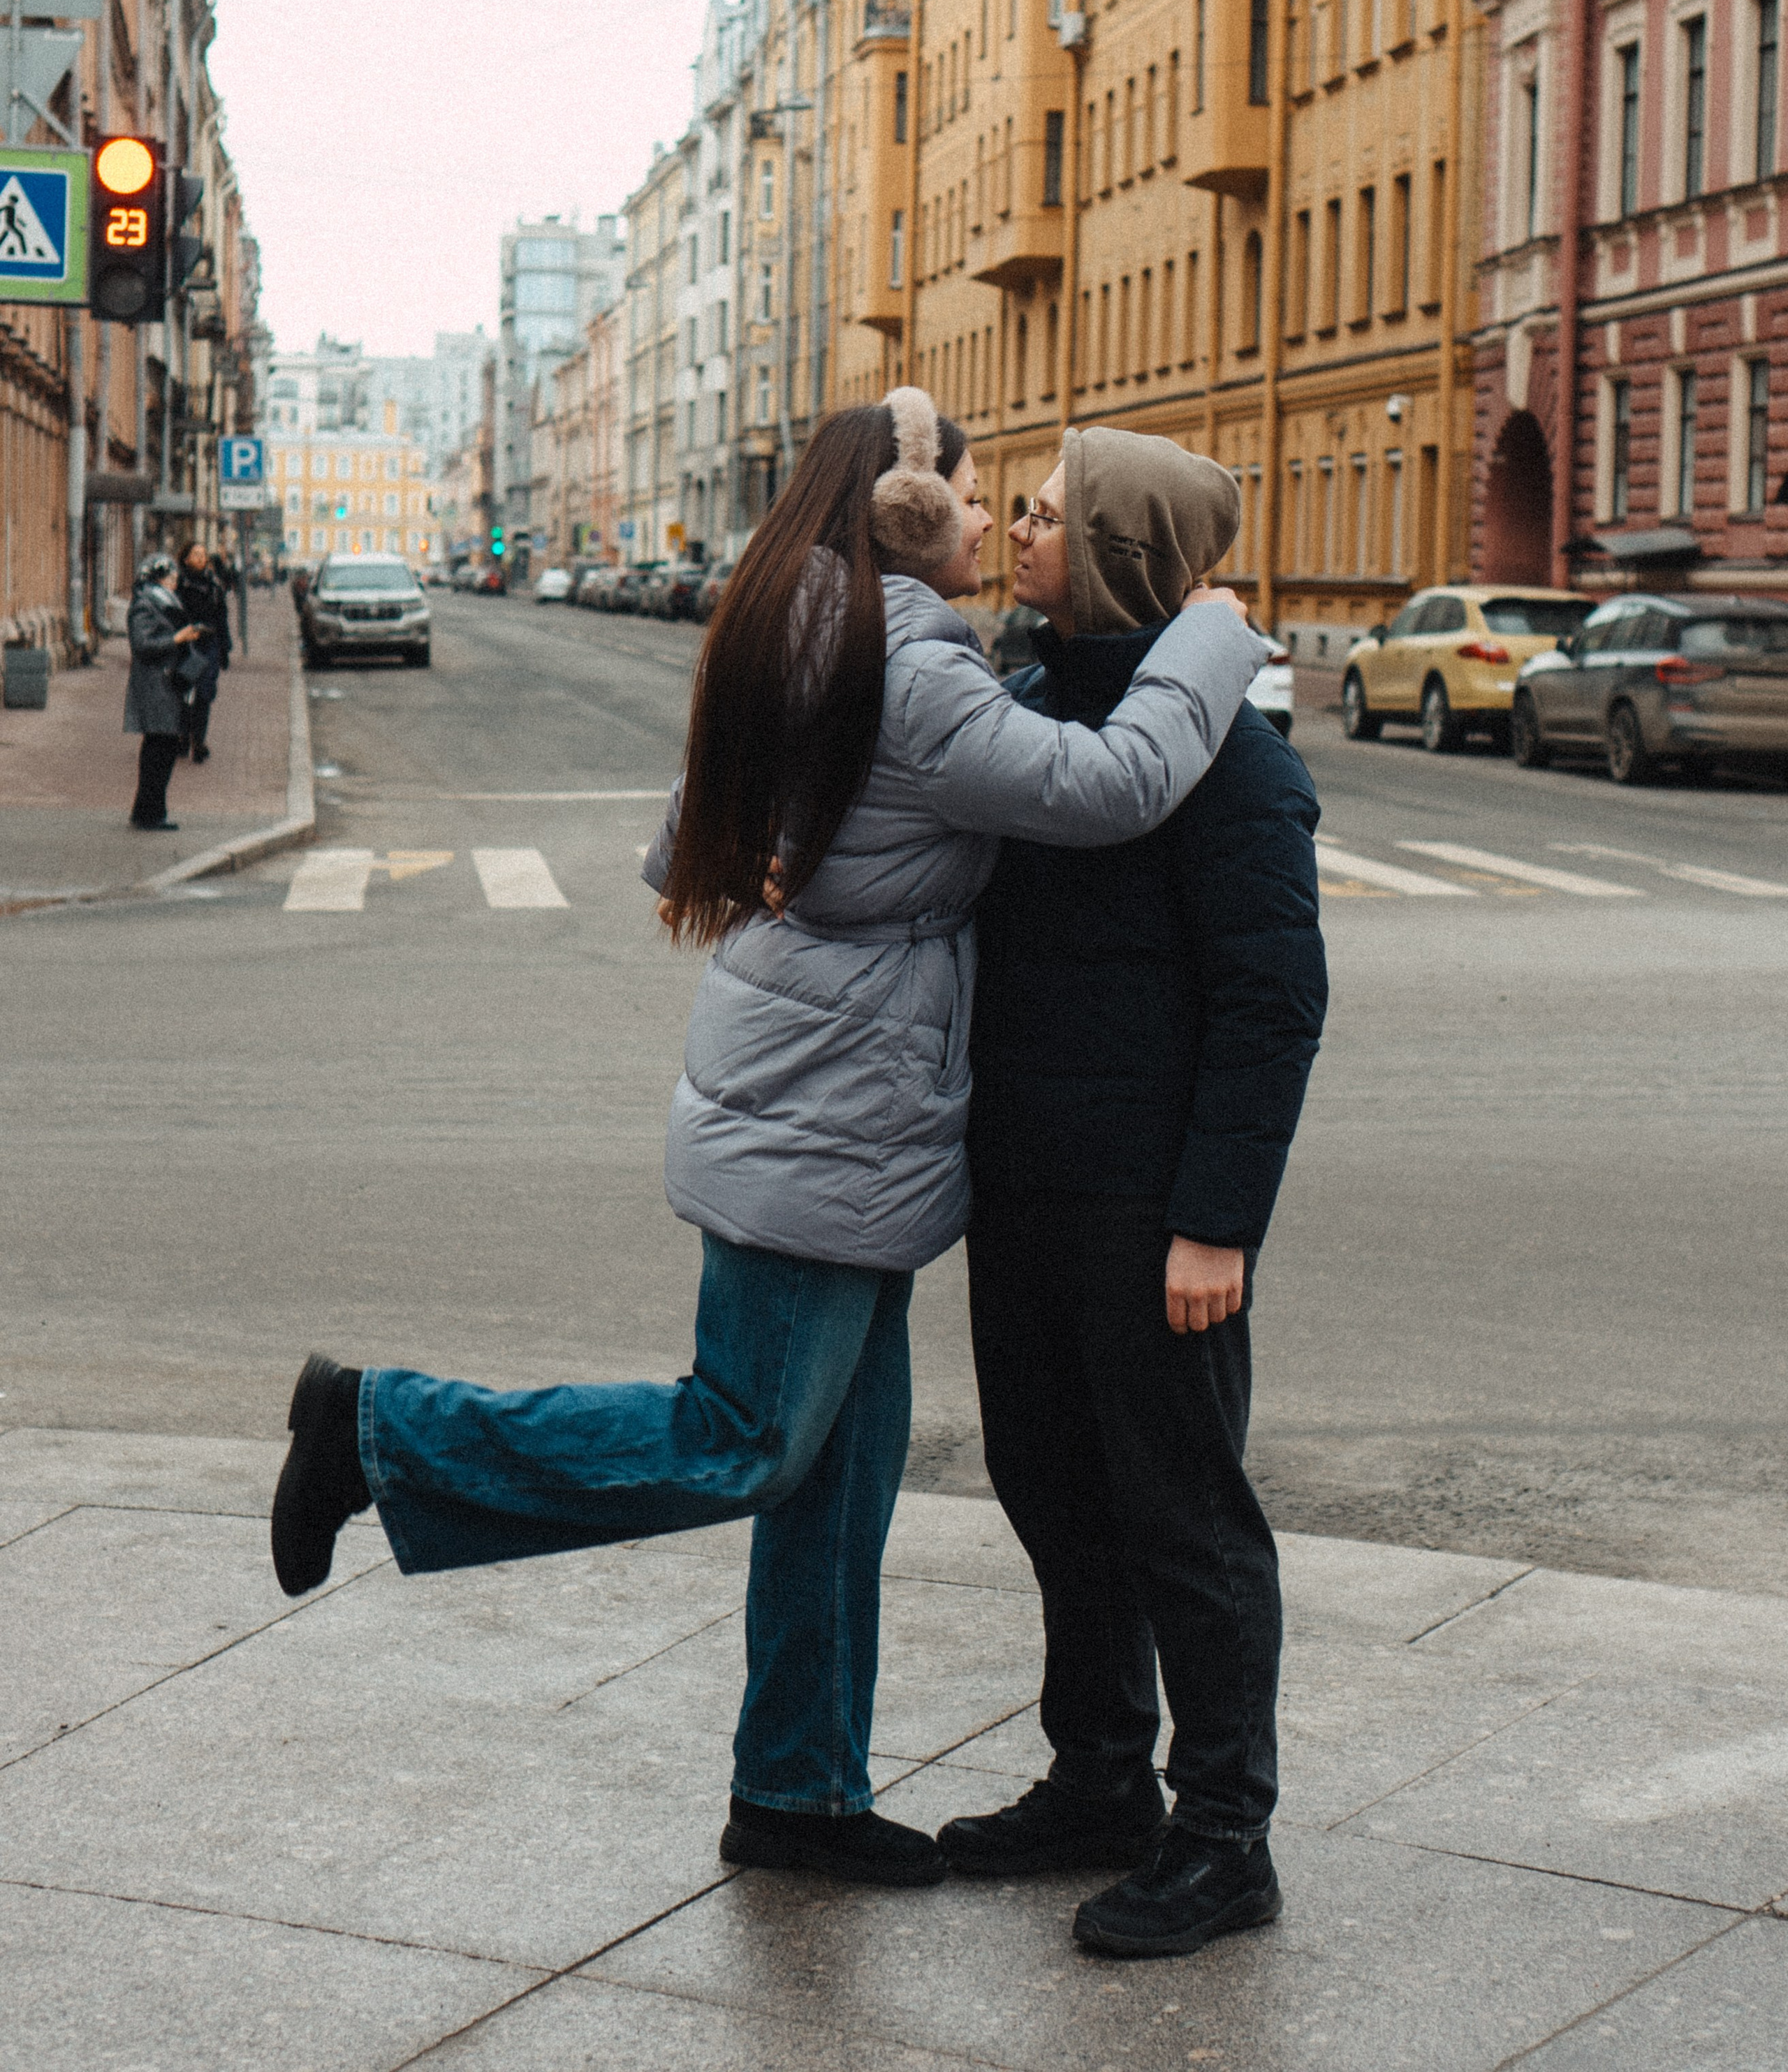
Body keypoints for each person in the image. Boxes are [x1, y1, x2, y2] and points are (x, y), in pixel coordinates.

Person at [270, 388, 1268, 1890]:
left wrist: (814, 844)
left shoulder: (788, 628)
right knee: (745, 1437)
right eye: (979, 493)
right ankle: (376, 1431)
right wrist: (1215, 633)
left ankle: (793, 1791)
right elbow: (1114, 785)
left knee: (836, 1476)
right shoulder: (906, 664)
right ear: (907, 513)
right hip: (831, 1112)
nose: (996, 520)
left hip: (819, 1094)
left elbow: (676, 851)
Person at [937, 428, 1327, 1960]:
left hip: (1153, 1212)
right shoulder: (1037, 709)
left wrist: (1216, 1221)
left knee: (1186, 1523)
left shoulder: (1232, 759)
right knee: (1053, 1495)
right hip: (1024, 1191)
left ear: (1108, 552)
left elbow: (1269, 1003)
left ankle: (1225, 1834)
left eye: (1042, 516)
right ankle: (1098, 1778)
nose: (1018, 534)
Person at [124, 554, 205, 832]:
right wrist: (177, 638)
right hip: (155, 684)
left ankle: (149, 811)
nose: (175, 581)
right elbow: (142, 644)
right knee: (159, 749)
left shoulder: (165, 601)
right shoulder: (145, 604)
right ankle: (149, 814)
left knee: (164, 747)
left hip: (168, 683)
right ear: (157, 578)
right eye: (170, 576)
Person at [177, 541, 232, 763]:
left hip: (209, 643)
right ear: (186, 559)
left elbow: (222, 618)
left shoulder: (214, 586)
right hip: (186, 643)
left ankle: (199, 741)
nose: (200, 558)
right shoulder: (180, 583)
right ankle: (181, 737)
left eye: (203, 555)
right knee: (182, 691)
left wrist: (225, 648)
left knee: (204, 693)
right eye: (195, 554)